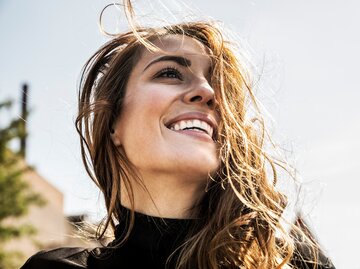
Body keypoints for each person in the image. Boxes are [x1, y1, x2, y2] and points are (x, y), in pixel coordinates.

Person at [21, 1, 335, 268]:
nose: (206, 90)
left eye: (215, 82)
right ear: (114, 123)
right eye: (169, 73)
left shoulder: (295, 261)